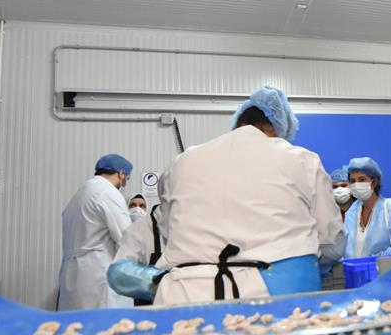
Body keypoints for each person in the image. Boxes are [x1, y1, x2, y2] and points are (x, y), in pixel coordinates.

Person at [108, 86, 346, 305]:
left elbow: (169, 230)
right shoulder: (302, 159)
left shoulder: (182, 162)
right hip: (274, 296)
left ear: (238, 123)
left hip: (185, 295)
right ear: (276, 129)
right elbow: (332, 244)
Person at [57, 154, 134, 310]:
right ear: (121, 174)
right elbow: (126, 238)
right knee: (106, 323)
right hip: (98, 273)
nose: (125, 182)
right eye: (127, 178)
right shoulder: (108, 193)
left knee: (78, 322)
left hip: (72, 276)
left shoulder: (79, 196)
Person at [343, 157, 391, 258]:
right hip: (355, 268)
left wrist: (378, 260)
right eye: (352, 181)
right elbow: (343, 248)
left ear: (374, 182)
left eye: (362, 179)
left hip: (387, 268)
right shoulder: (351, 212)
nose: (356, 184)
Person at [112, 203, 165, 306]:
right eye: (133, 205)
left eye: (142, 205)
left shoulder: (195, 226)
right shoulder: (139, 230)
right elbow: (120, 275)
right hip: (150, 307)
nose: (137, 209)